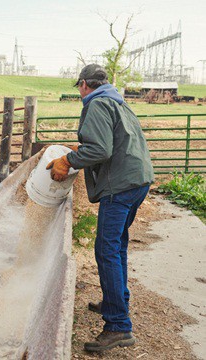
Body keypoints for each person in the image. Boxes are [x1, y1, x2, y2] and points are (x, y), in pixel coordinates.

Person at [46, 64, 154, 352]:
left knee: (106, 250)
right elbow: (109, 144)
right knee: (117, 246)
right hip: (137, 182)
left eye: (79, 87)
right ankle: (114, 301)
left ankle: (118, 325)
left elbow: (100, 150)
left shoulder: (96, 104)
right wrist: (77, 153)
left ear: (83, 84)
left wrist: (67, 160)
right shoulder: (118, 102)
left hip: (119, 187)